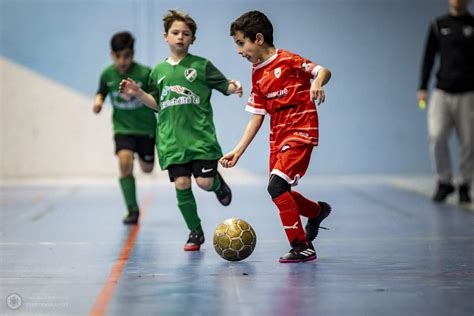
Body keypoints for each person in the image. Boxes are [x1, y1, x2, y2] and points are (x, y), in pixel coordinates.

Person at [119, 10, 242, 250]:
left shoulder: (202, 66)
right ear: (166, 36)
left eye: (186, 34)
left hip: (200, 138)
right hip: (172, 141)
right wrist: (137, 93)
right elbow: (158, 104)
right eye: (175, 33)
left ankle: (218, 184)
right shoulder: (158, 72)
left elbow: (224, 86)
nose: (180, 37)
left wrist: (233, 85)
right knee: (182, 183)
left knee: (204, 182)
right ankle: (195, 232)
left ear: (192, 39)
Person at [220, 11, 332, 263]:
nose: (239, 51)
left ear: (258, 39)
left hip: (301, 132)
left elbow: (323, 70)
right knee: (280, 192)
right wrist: (238, 151)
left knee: (276, 187)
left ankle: (301, 246)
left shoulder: (289, 60)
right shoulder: (257, 73)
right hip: (277, 138)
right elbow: (257, 116)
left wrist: (317, 83)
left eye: (241, 43)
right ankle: (317, 211)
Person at [93, 31, 157, 224]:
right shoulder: (107, 75)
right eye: (118, 56)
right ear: (112, 54)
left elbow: (155, 97)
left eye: (127, 56)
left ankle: (142, 155)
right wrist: (98, 102)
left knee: (147, 169)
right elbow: (101, 92)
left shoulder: (144, 73)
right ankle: (132, 210)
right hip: (123, 129)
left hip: (145, 129)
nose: (122, 61)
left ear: (133, 54)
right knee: (124, 162)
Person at [417, 0, 473, 204]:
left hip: (468, 93)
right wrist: (422, 86)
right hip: (442, 91)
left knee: (469, 141)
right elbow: (428, 57)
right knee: (436, 135)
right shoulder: (438, 25)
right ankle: (444, 181)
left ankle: (465, 184)